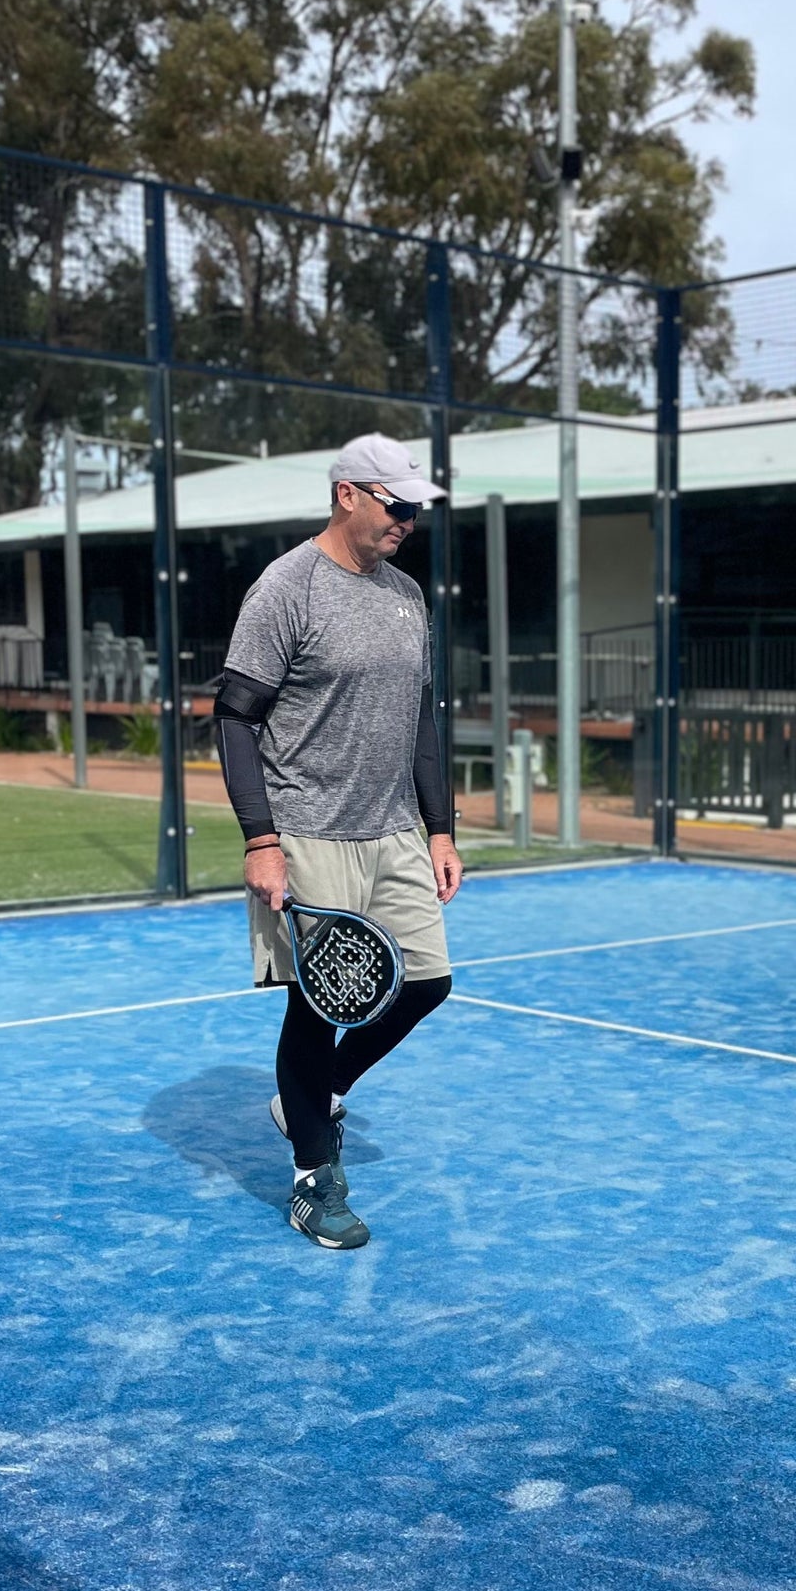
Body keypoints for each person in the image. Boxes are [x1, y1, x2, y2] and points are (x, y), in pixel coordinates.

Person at [214, 433, 463, 1248]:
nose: (409, 519)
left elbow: (420, 722)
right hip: (308, 831)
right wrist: (261, 840)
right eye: (398, 504)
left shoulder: (407, 595)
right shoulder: (286, 588)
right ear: (347, 493)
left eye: (417, 508)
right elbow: (236, 716)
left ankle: (311, 1100)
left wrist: (439, 828)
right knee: (317, 1006)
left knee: (428, 981)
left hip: (394, 831)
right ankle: (312, 1179)